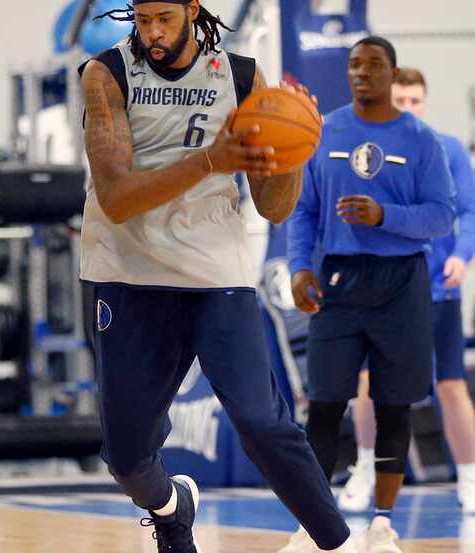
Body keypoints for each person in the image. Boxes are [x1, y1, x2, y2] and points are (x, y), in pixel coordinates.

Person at [79, 1, 356, 551]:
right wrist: (212, 160)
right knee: (129, 460)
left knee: (263, 423)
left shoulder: (242, 75)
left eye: (164, 17)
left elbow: (274, 207)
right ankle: (171, 508)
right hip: (129, 277)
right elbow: (114, 198)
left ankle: (340, 544)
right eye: (142, 18)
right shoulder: (106, 74)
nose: (152, 31)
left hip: (216, 276)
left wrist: (294, 150)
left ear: (192, 9)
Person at [286, 38, 455, 553]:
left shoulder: (421, 140)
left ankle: (383, 523)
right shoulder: (325, 131)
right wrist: (298, 268)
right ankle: (312, 528)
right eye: (355, 65)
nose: (362, 73)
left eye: (374, 65)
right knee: (323, 405)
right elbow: (304, 211)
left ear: (392, 72)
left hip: (402, 281)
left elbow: (442, 215)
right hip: (338, 280)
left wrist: (387, 217)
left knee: (394, 405)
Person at [338, 67, 475, 514]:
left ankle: (470, 477)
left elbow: (470, 212)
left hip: (437, 292)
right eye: (403, 100)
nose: (410, 108)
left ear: (424, 102)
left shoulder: (449, 150)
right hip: (380, 290)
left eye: (417, 100)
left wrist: (462, 255)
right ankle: (363, 469)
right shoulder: (367, 153)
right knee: (365, 384)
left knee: (451, 385)